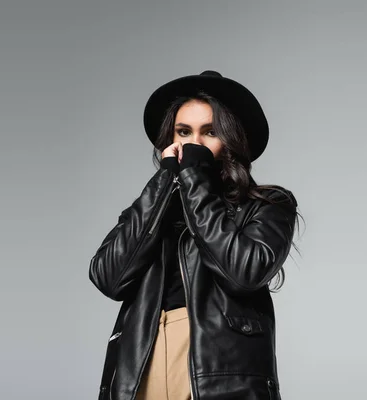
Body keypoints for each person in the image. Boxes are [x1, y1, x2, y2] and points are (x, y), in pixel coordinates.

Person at [89, 70, 301, 400]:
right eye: (184, 132)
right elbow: (108, 277)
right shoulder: (155, 206)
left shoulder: (268, 204)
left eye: (210, 132)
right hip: (141, 359)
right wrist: (163, 182)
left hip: (216, 369)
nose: (194, 144)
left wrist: (195, 180)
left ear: (231, 141)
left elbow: (243, 273)